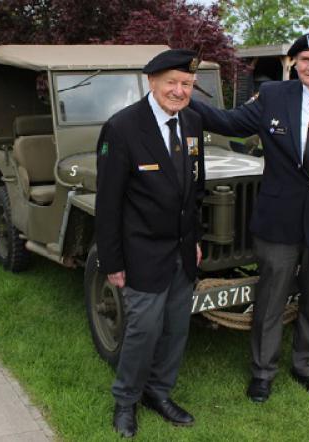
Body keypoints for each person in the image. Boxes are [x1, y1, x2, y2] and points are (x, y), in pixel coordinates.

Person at [190, 30, 309, 402]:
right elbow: (229, 123)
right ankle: (263, 372)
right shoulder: (275, 96)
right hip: (278, 219)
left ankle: (305, 365)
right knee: (271, 298)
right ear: (295, 64)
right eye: (303, 60)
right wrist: (184, 92)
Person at [96, 49, 205, 438]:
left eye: (187, 84)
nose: (179, 91)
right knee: (143, 331)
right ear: (152, 82)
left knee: (177, 328)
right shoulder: (123, 127)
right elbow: (107, 203)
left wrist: (193, 240)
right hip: (141, 252)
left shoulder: (192, 123)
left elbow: (195, 189)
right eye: (172, 83)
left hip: (181, 251)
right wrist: (112, 261)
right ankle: (125, 401)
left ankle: (159, 393)